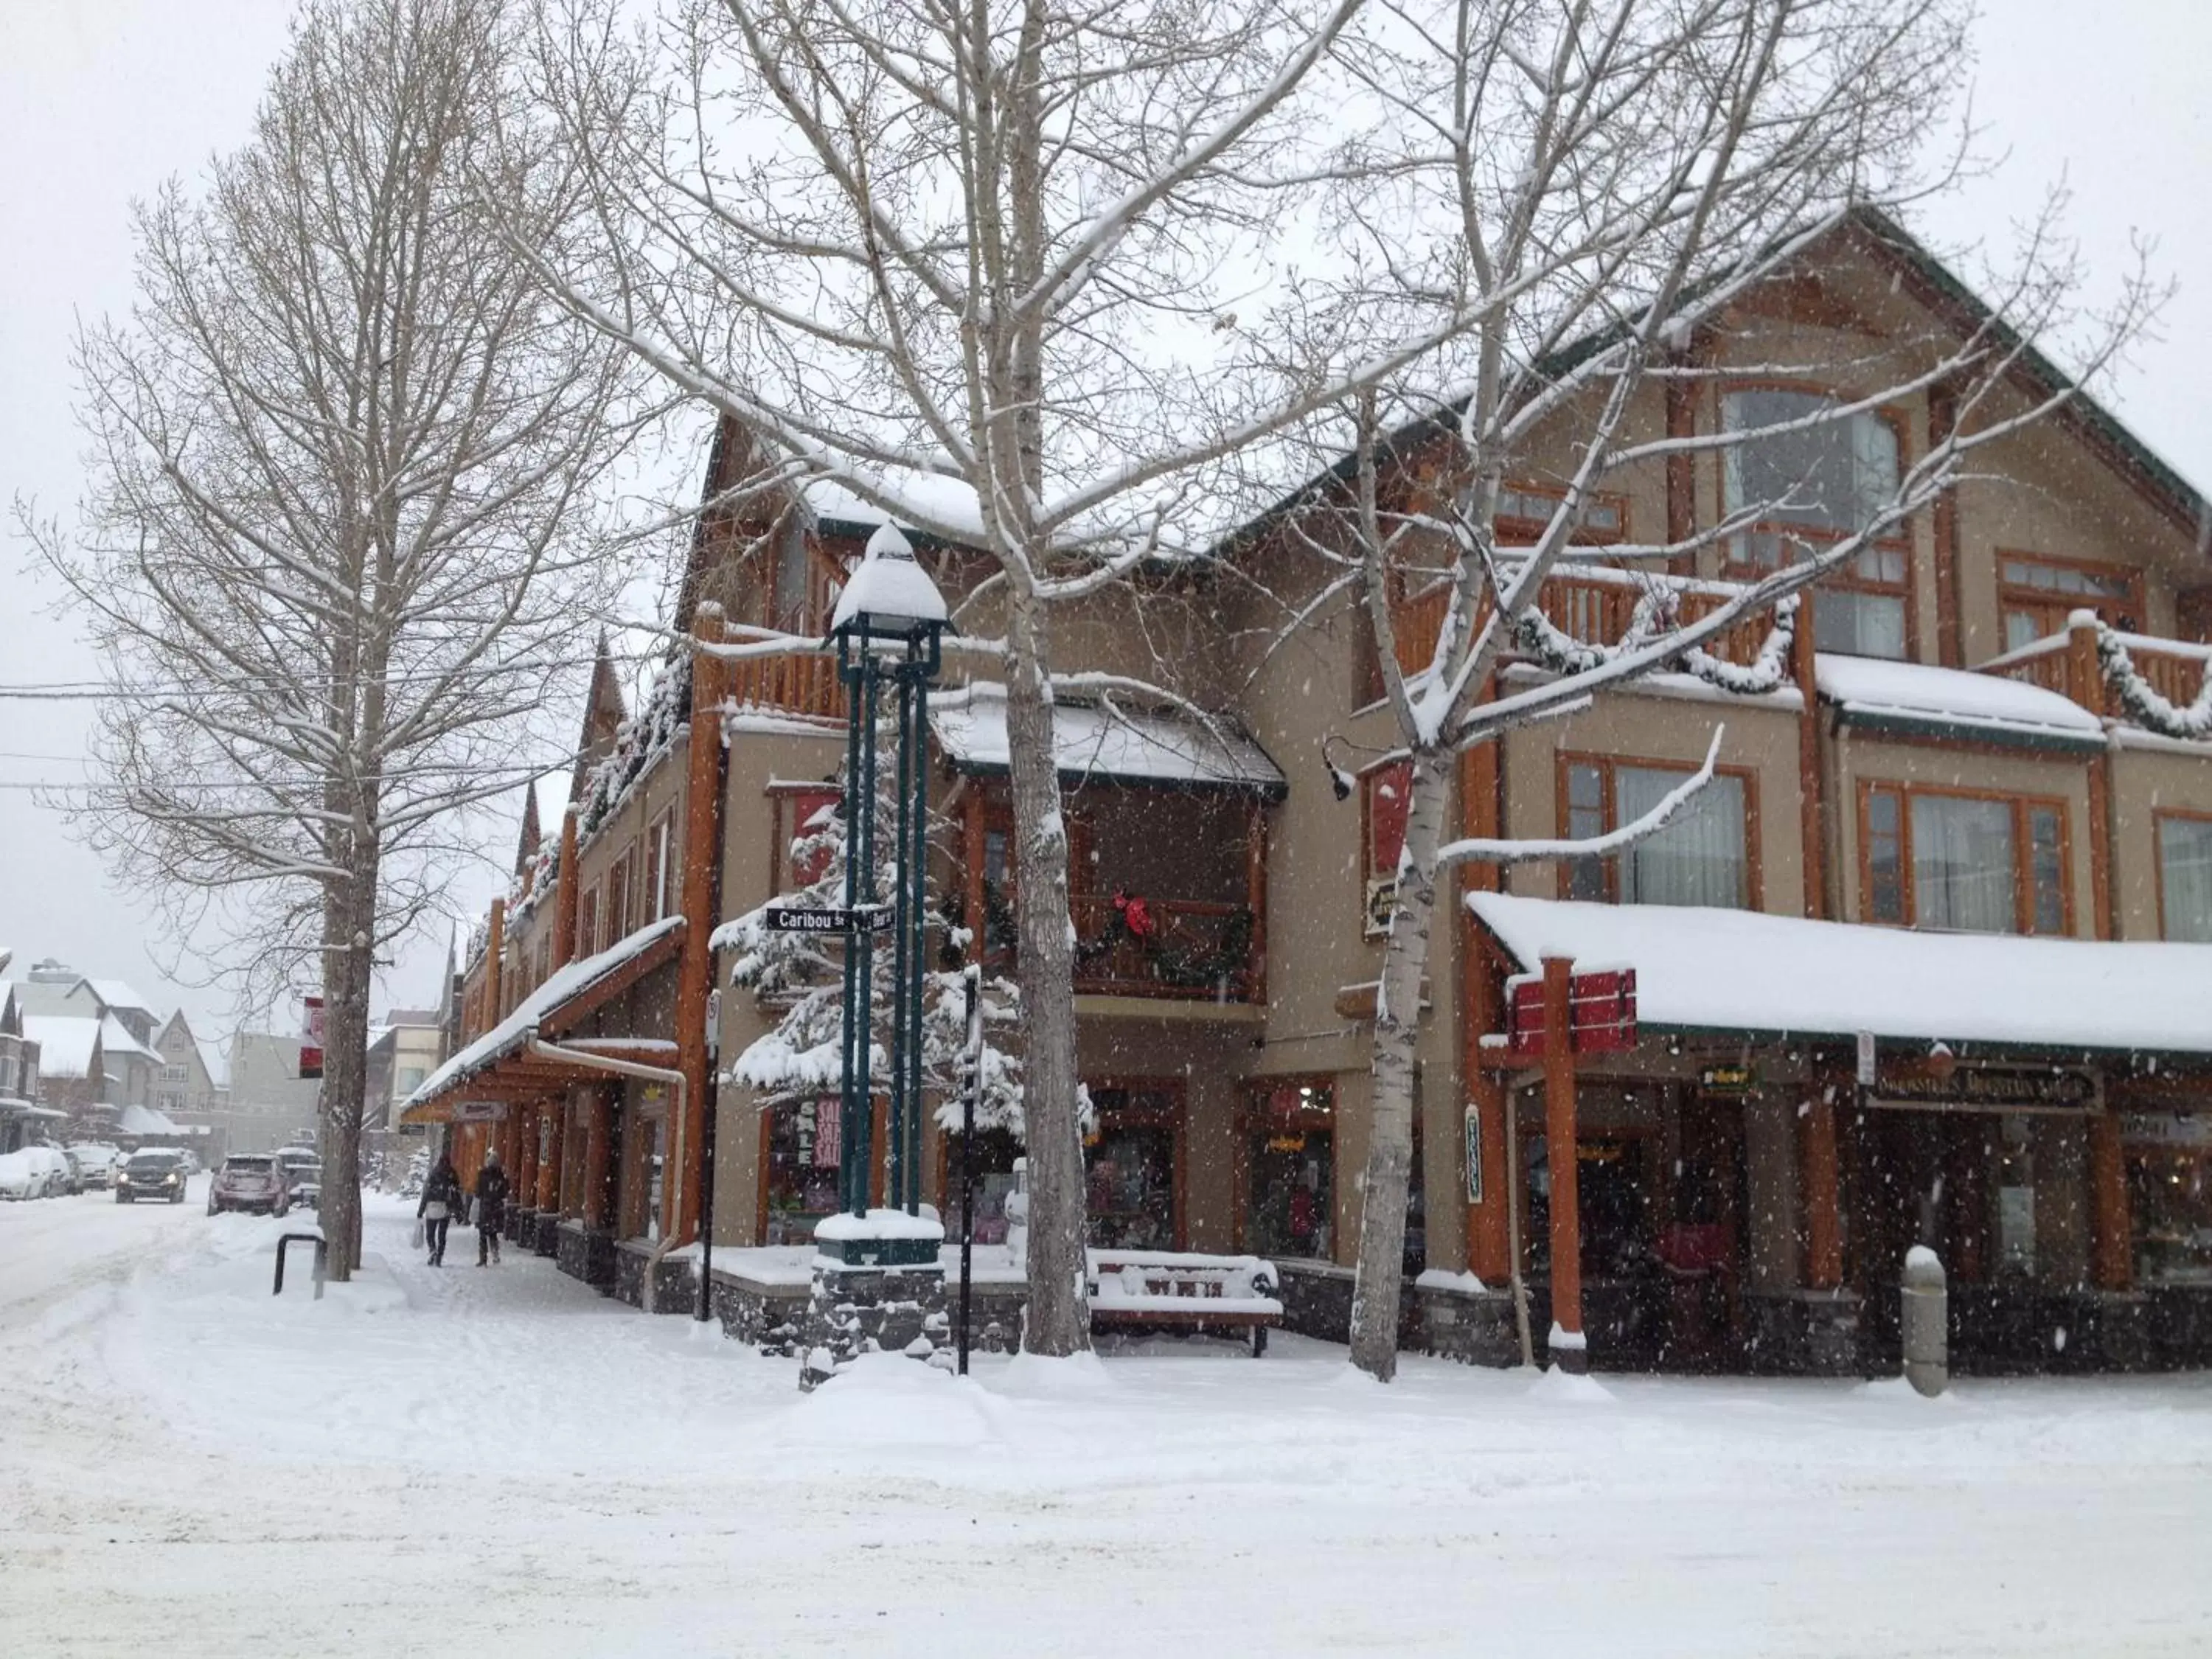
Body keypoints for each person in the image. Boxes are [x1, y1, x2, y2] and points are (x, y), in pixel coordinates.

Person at [417, 1153, 462, 1267]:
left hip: (433, 1206)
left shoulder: (434, 1173)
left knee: (430, 1234)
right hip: (446, 1208)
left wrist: (421, 1210)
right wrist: (459, 1211)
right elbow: (456, 1193)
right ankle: (439, 1257)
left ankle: (433, 1250)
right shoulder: (452, 1174)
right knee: (442, 1235)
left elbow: (427, 1193)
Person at [475, 1148, 511, 1267]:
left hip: (485, 1206)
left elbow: (478, 1192)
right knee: (493, 1233)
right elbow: (506, 1191)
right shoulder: (501, 1176)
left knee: (483, 1233)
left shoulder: (482, 1174)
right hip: (496, 1207)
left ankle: (483, 1258)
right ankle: (495, 1254)